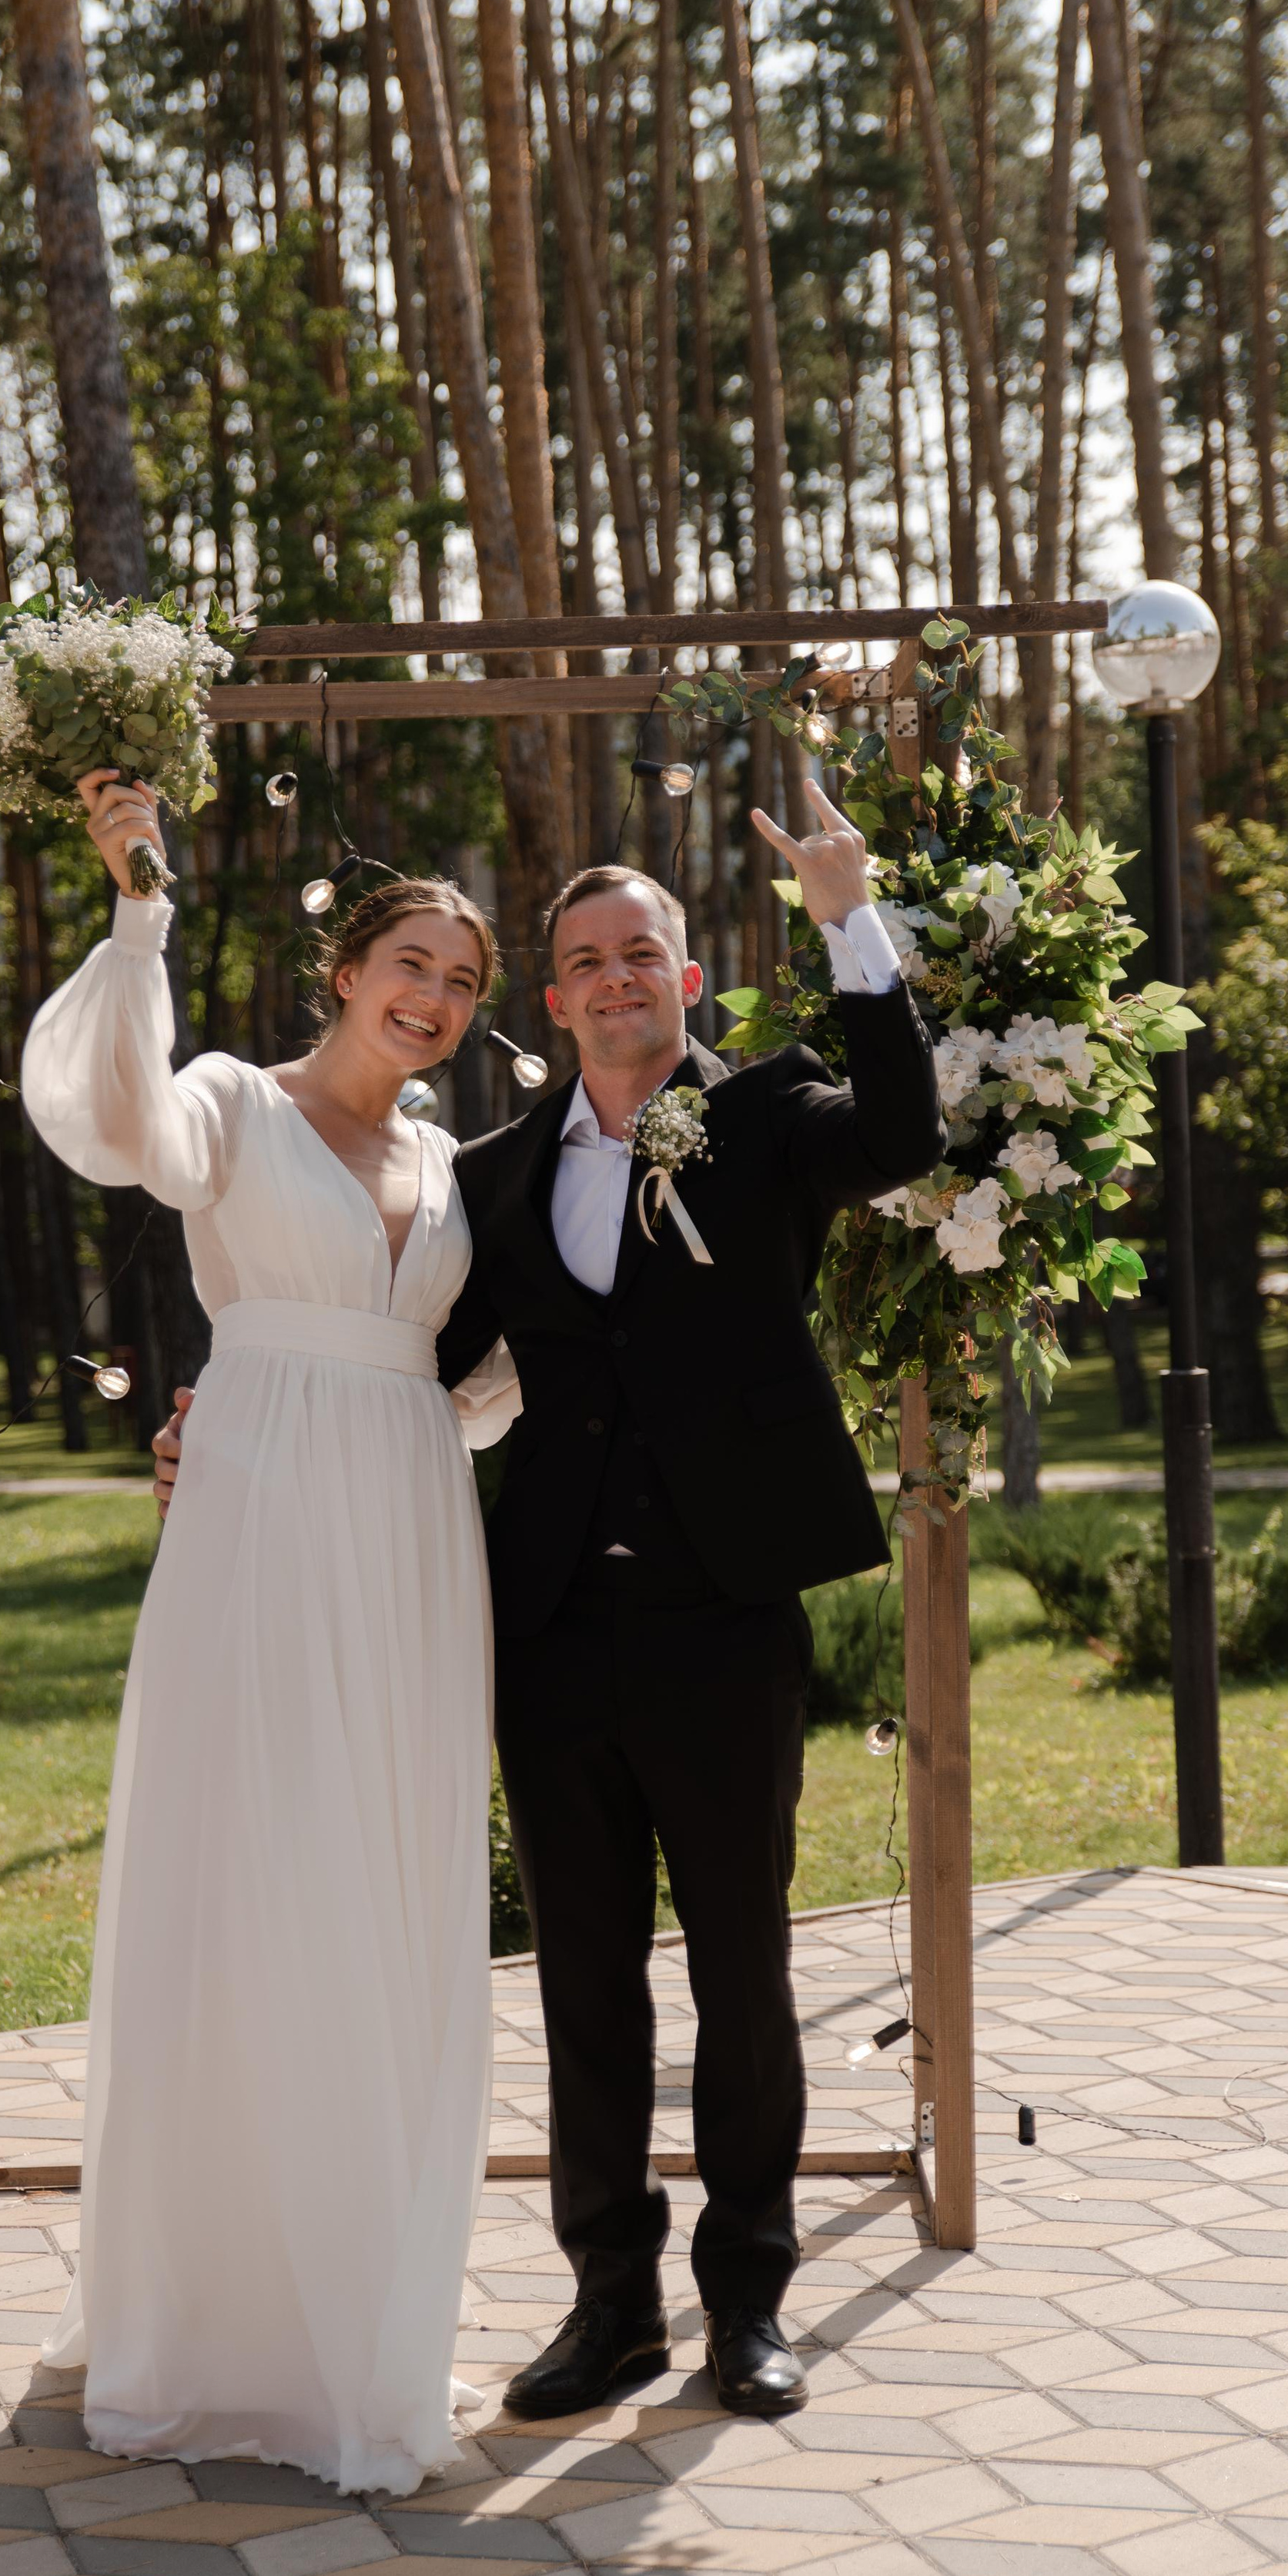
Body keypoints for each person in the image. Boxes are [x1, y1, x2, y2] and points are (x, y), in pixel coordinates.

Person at [157, 782, 942, 2424]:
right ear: (554, 999)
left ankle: (747, 2303)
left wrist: (847, 918)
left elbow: (903, 1136)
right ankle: (611, 2305)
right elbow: (398, 1356)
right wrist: (223, 1420)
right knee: (583, 1980)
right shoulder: (493, 1177)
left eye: (639, 952)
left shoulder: (770, 1113)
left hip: (724, 1622)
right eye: (584, 959)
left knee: (742, 1972)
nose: (613, 977)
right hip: (549, 1631)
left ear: (685, 978)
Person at [21, 769, 514, 2497]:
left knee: (383, 1885)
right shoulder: (231, 1100)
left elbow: (485, 1371)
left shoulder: (450, 1164)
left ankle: (365, 2319)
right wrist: (137, 910)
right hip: (258, 1516)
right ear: (346, 969)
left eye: (461, 981)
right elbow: (117, 1122)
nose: (432, 997)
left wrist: (463, 1421)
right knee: (246, 1871)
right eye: (410, 963)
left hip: (411, 1528)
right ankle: (213, 2322)